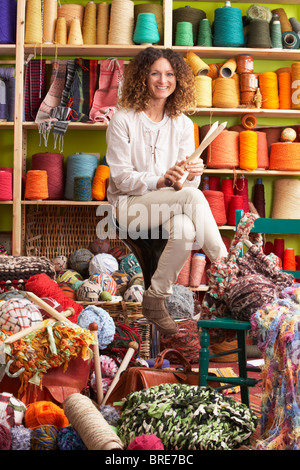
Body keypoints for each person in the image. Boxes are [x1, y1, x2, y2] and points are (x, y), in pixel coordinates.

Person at [105, 47, 228, 336]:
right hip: (129, 206)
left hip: (168, 204)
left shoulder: (183, 124)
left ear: (178, 80)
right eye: (156, 73)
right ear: (142, 78)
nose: (164, 80)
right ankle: (226, 272)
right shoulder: (123, 119)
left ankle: (155, 299)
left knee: (185, 227)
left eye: (170, 74)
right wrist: (161, 180)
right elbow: (121, 178)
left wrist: (192, 175)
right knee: (192, 199)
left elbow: (185, 188)